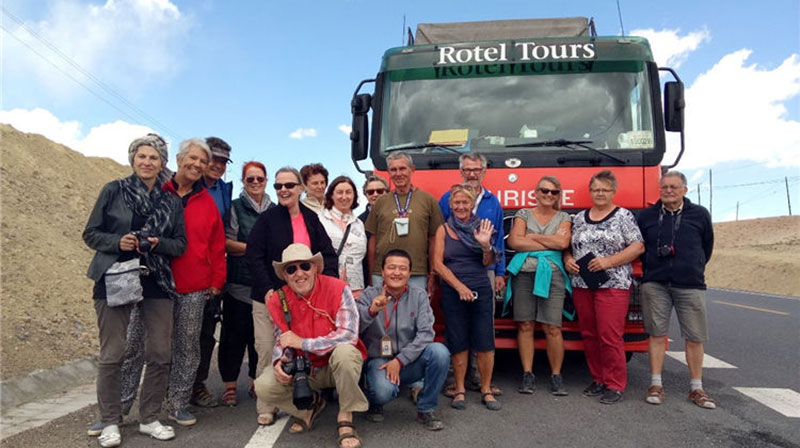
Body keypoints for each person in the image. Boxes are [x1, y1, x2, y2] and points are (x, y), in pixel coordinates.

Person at [83, 134, 185, 446]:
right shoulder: (113, 190)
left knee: (159, 352)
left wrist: (157, 243)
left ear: (162, 163)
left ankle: (150, 417)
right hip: (114, 275)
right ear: (133, 159)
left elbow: (179, 244)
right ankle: (111, 421)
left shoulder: (171, 201)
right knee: (113, 353)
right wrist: (118, 241)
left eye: (154, 157)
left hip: (156, 278)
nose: (147, 162)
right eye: (141, 156)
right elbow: (91, 233)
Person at [120, 138, 227, 426]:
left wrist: (216, 282)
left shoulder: (207, 203)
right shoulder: (156, 191)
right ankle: (119, 406)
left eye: (202, 162)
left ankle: (178, 403)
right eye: (192, 159)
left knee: (187, 346)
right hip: (152, 284)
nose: (197, 165)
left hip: (193, 286)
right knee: (135, 346)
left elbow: (217, 247)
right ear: (178, 159)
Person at [245, 166, 338, 426]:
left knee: (301, 349)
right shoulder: (267, 219)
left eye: (289, 185)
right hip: (270, 296)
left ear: (300, 188)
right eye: (278, 186)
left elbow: (327, 256)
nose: (283, 190)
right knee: (266, 349)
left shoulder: (311, 218)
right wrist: (267, 290)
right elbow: (253, 256)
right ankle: (266, 406)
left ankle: (309, 396)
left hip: (304, 300)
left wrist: (326, 287)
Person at [255, 244, 368, 448]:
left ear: (315, 268)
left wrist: (303, 343)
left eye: (305, 266)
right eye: (291, 269)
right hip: (306, 370)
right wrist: (279, 361)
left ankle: (346, 416)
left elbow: (349, 336)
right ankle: (310, 407)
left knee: (345, 353)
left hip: (337, 366)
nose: (299, 273)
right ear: (285, 276)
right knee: (263, 385)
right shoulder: (278, 300)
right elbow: (283, 339)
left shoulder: (338, 288)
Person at [564, 170, 644, 405]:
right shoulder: (578, 218)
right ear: (590, 192)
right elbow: (568, 246)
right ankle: (598, 378)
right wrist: (568, 259)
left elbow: (637, 246)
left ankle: (615, 384)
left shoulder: (623, 216)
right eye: (596, 189)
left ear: (613, 192)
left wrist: (608, 262)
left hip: (613, 284)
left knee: (610, 335)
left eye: (605, 189)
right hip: (582, 284)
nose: (600, 193)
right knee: (589, 334)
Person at [637, 171, 716, 409]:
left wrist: (693, 267)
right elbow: (639, 245)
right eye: (664, 187)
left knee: (694, 337)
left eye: (673, 187)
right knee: (656, 334)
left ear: (684, 189)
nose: (668, 191)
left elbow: (707, 246)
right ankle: (656, 384)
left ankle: (697, 388)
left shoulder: (699, 214)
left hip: (690, 284)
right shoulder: (647, 215)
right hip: (655, 283)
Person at [358, 249, 450, 430]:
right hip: (379, 360)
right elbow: (354, 329)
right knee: (383, 392)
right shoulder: (369, 295)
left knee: (440, 353)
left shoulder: (419, 295)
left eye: (403, 268)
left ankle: (426, 409)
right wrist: (372, 311)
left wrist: (400, 360)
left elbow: (426, 333)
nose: (397, 273)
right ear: (382, 272)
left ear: (409, 273)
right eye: (391, 268)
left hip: (409, 359)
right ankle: (375, 400)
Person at [438, 153, 505, 396]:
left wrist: (499, 271)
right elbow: (440, 236)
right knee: (455, 329)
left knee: (483, 331)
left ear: (484, 172)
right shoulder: (446, 199)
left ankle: (479, 378)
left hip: (484, 272)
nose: (472, 174)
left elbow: (498, 243)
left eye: (476, 169)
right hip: (454, 275)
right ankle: (456, 382)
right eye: (467, 170)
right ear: (461, 172)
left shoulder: (492, 202)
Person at [506, 176, 572, 396]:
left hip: (553, 275)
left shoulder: (564, 217)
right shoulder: (523, 213)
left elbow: (563, 243)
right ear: (535, 192)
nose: (548, 195)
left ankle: (556, 374)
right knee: (525, 324)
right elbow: (514, 242)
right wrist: (548, 240)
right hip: (524, 273)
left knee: (552, 326)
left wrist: (531, 236)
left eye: (554, 192)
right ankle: (527, 373)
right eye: (544, 191)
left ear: (558, 195)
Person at [217, 161, 274, 407]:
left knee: (259, 338)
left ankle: (254, 379)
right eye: (250, 179)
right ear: (243, 181)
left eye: (259, 179)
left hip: (265, 283)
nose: (255, 183)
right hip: (239, 282)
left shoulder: (274, 210)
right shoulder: (235, 208)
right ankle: (229, 384)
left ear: (266, 180)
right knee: (233, 337)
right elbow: (227, 243)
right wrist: (257, 250)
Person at [191, 136, 233, 408]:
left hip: (213, 273)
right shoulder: (186, 187)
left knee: (206, 334)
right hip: (185, 271)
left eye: (222, 161)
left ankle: (197, 384)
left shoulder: (223, 190)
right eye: (213, 159)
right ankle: (174, 387)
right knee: (181, 336)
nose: (217, 165)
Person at [365, 152, 444, 295]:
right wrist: (372, 274)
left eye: (402, 168)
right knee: (384, 315)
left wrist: (433, 273)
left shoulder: (428, 200)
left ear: (412, 169)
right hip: (382, 273)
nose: (398, 173)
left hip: (417, 272)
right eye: (393, 170)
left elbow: (435, 240)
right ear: (388, 172)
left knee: (414, 315)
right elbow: (373, 240)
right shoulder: (381, 202)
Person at [319, 176, 368, 296]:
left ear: (354, 196)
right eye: (339, 192)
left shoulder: (359, 224)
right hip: (328, 287)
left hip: (356, 290)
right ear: (331, 195)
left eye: (348, 192)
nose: (344, 197)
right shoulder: (320, 219)